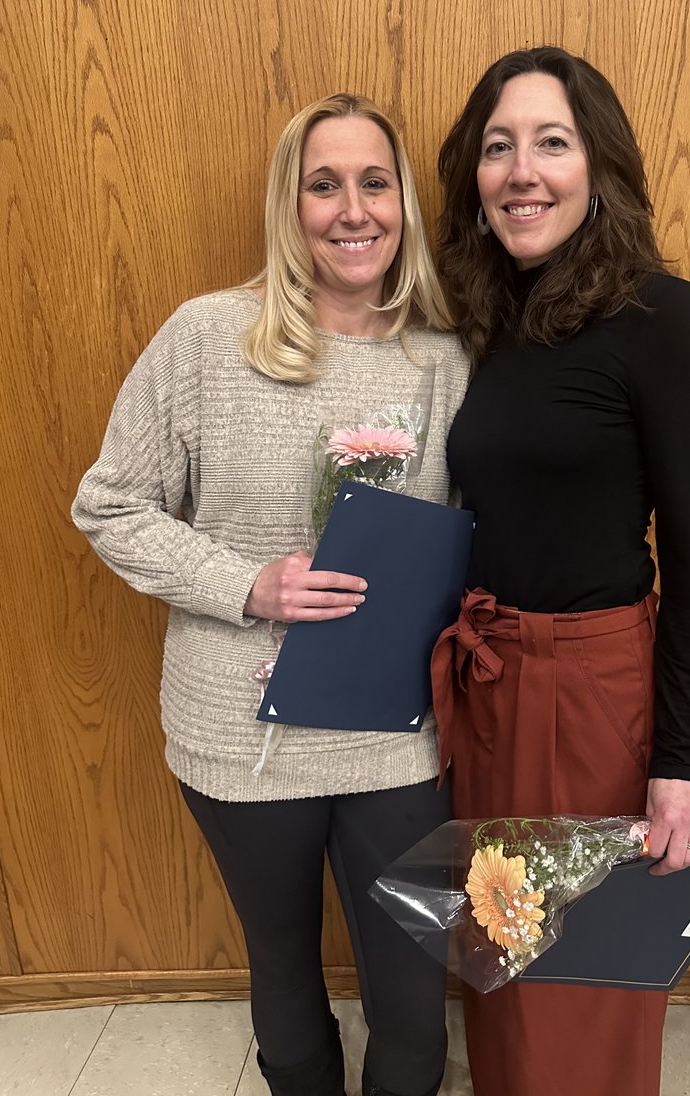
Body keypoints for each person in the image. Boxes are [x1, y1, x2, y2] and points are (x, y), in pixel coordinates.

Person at [72, 93, 470, 1096]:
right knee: (284, 970)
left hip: (394, 734)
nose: (353, 210)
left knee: (412, 1001)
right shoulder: (208, 338)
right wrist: (245, 584)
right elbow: (109, 505)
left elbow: (475, 538)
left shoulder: (445, 360)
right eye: (323, 185)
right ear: (289, 206)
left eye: (375, 183)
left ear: (404, 204)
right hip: (238, 733)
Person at [430, 47, 690, 1095]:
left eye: (551, 143)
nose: (522, 171)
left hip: (593, 690)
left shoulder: (659, 315)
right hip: (488, 679)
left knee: (585, 976)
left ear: (597, 165)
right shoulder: (483, 321)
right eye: (498, 147)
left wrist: (679, 762)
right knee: (502, 951)